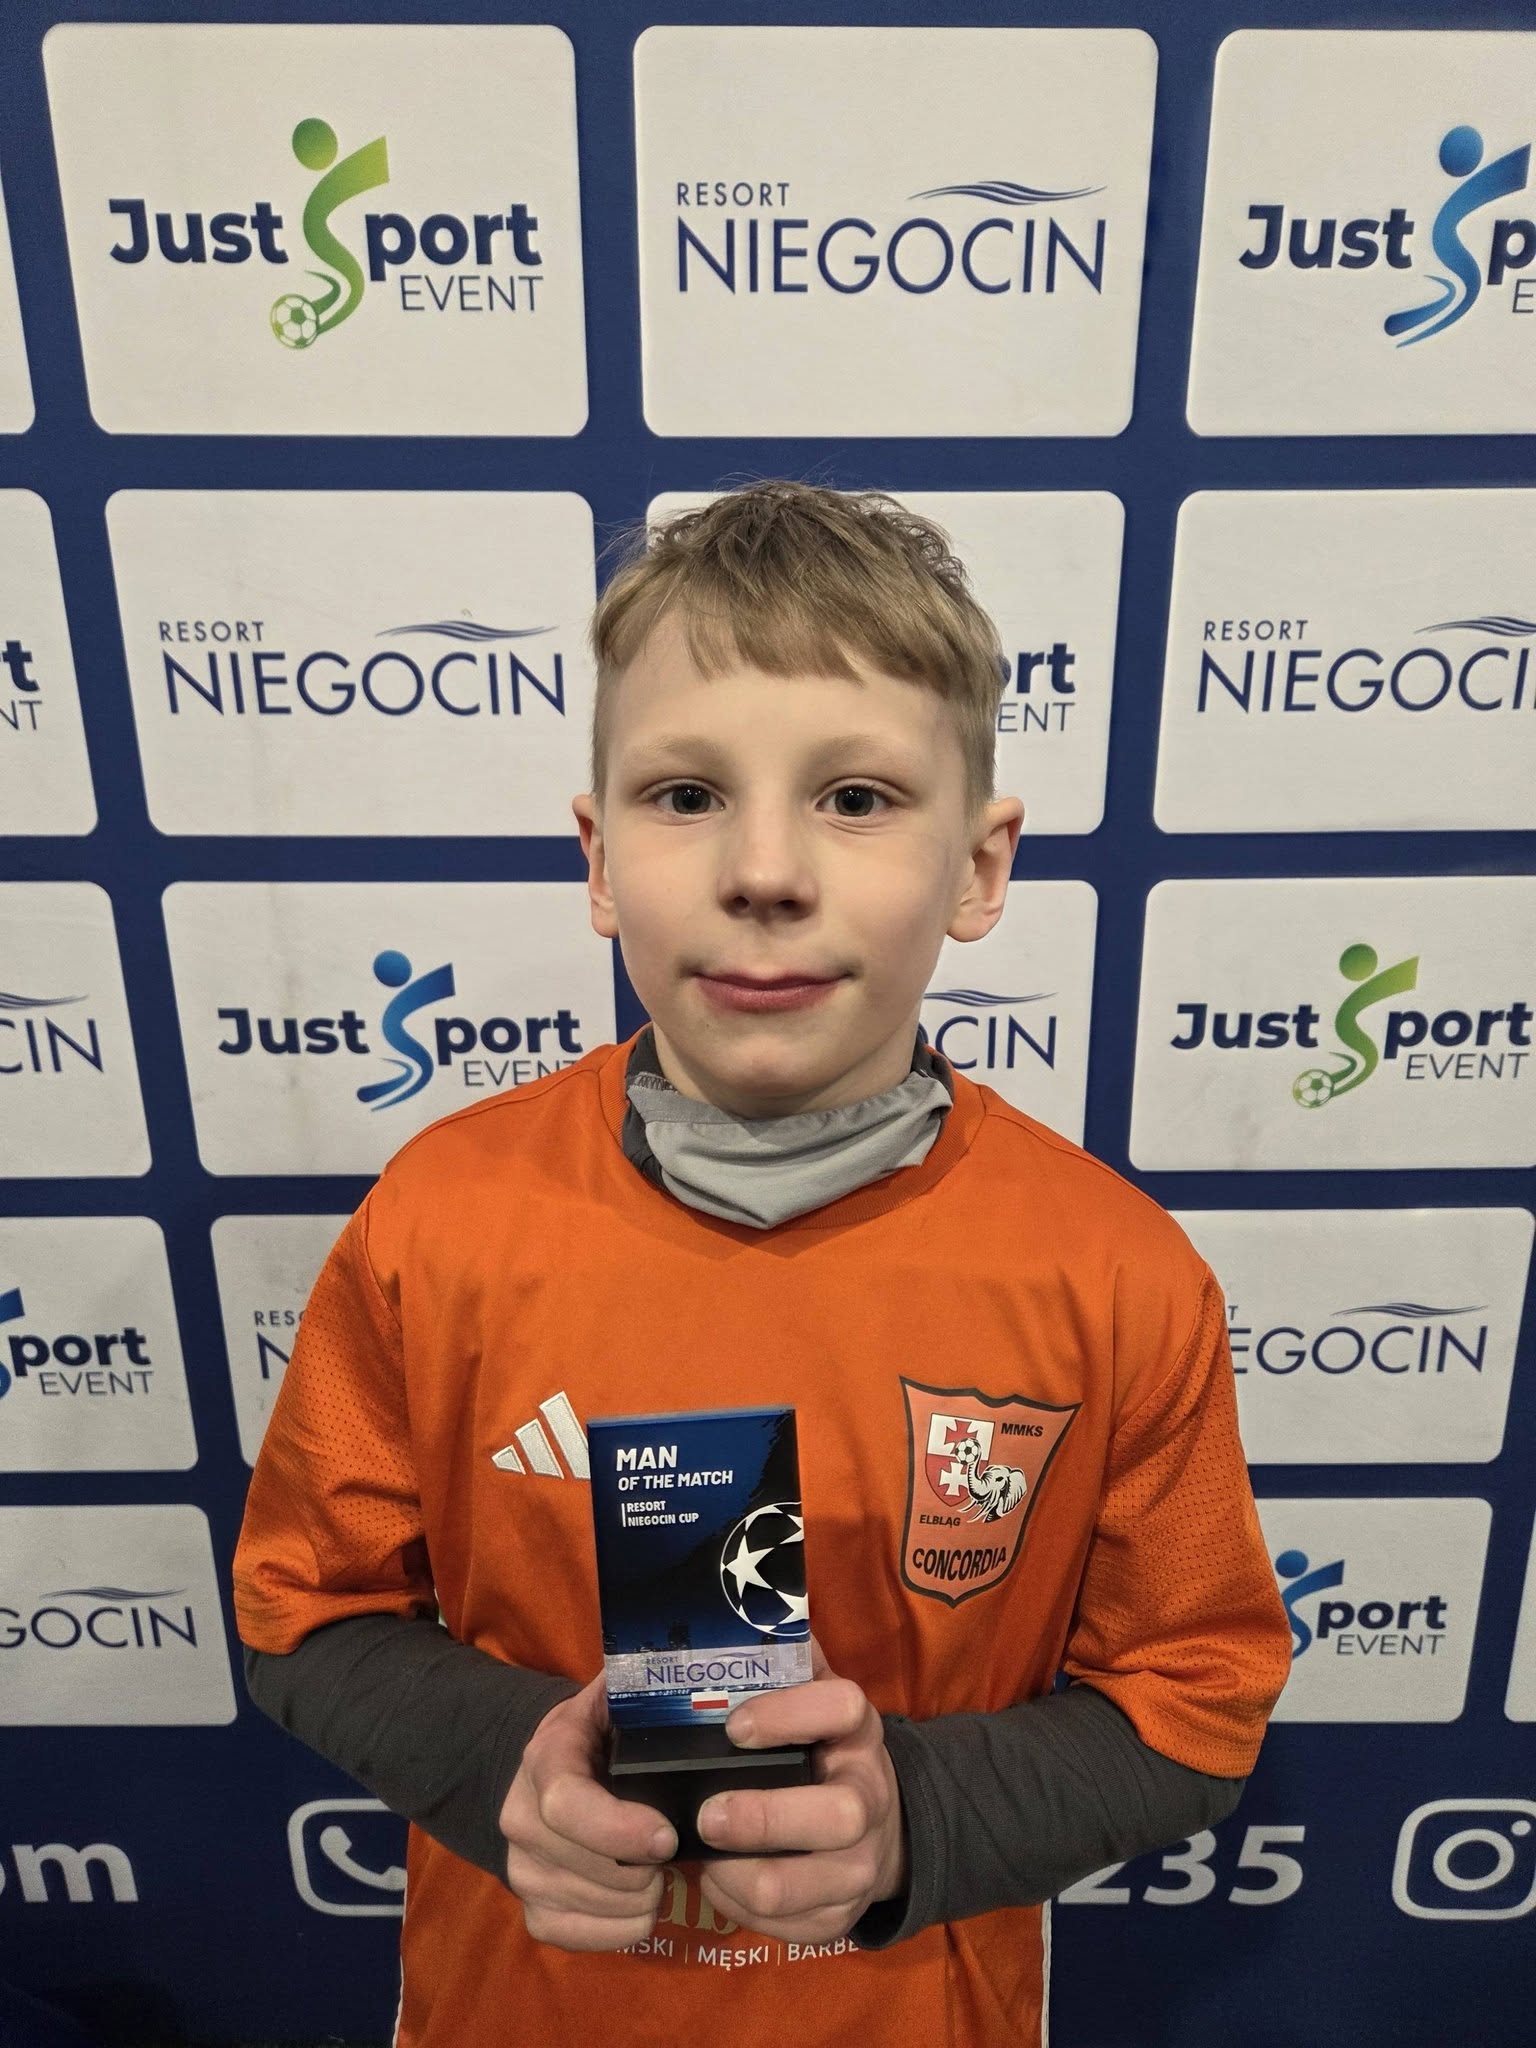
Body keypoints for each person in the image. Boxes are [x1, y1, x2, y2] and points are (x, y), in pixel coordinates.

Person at [233, 481, 1292, 2048]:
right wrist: (511, 1761)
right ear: (600, 858)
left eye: (857, 798)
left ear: (981, 866)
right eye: (686, 794)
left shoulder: (1115, 1274)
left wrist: (919, 1814)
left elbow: (1195, 1702)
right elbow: (302, 1613)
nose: (767, 870)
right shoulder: (437, 1218)